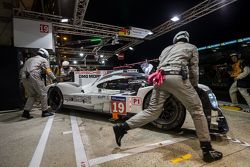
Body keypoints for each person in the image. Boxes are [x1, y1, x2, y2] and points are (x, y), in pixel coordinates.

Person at [113, 31, 223, 163]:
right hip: (177, 77)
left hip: (160, 78)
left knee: (152, 111)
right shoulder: (192, 47)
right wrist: (193, 86)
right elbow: (194, 69)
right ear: (186, 39)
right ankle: (207, 150)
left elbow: (160, 65)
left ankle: (122, 127)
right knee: (197, 111)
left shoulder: (166, 49)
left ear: (175, 39)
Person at [21, 48, 57, 119]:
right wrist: (54, 78)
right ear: (44, 54)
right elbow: (48, 70)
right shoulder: (43, 60)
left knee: (31, 95)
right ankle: (45, 111)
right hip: (34, 75)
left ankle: (26, 112)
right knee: (43, 94)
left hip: (24, 76)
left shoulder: (29, 59)